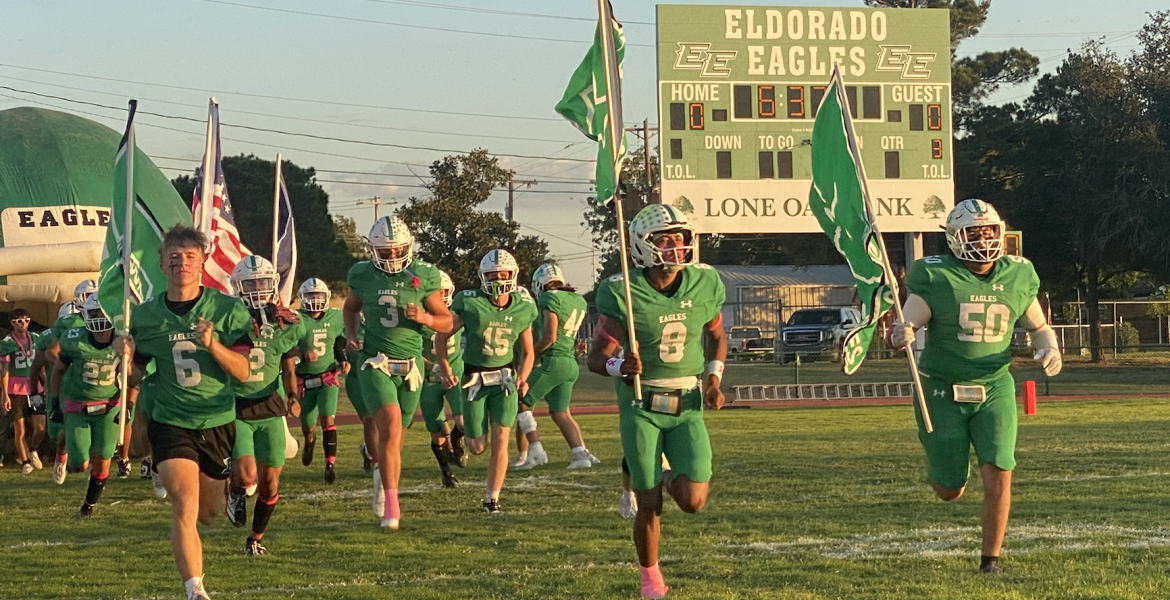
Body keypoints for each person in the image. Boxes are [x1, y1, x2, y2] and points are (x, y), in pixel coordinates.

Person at [888, 199, 1062, 574]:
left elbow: (1039, 325)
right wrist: (900, 330)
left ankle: (990, 561)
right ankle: (950, 471)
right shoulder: (936, 275)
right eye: (974, 232)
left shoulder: (1017, 273)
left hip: (995, 385)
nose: (983, 239)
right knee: (949, 489)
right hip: (941, 386)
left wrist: (1049, 344)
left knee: (999, 471)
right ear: (954, 238)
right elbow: (911, 321)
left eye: (988, 231)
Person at [587, 204, 727, 599]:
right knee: (648, 500)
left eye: (679, 238)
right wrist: (619, 365)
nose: (675, 246)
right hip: (642, 403)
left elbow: (716, 336)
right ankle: (650, 579)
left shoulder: (704, 282)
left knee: (693, 500)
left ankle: (665, 471)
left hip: (688, 403)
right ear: (643, 246)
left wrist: (714, 378)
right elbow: (596, 357)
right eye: (664, 239)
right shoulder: (623, 292)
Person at [118, 225, 253, 600]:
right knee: (183, 501)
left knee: (207, 511)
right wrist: (124, 357)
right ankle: (195, 590)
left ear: (202, 262)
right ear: (161, 264)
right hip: (171, 420)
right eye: (174, 258)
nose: (182, 264)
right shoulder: (145, 317)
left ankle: (221, 494)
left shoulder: (226, 309)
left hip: (217, 418)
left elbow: (243, 372)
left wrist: (212, 345)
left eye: (189, 257)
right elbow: (135, 375)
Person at [343, 216, 451, 530]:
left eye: (396, 250)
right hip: (375, 361)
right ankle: (393, 507)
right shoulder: (362, 275)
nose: (391, 256)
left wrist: (426, 319)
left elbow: (446, 320)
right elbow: (350, 307)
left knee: (396, 438)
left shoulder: (423, 275)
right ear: (373, 250)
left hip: (410, 367)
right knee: (389, 427)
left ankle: (381, 476)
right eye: (385, 251)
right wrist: (351, 334)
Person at [436, 249, 537, 514]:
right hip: (474, 380)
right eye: (492, 275)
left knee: (501, 439)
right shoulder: (470, 302)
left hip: (504, 380)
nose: (498, 279)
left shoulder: (523, 306)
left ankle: (492, 498)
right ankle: (458, 437)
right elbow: (441, 335)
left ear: (512, 275)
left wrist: (523, 377)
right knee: (477, 446)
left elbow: (528, 352)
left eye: (502, 274)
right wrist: (445, 366)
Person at [223, 256, 303, 556]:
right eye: (250, 284)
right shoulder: (227, 319)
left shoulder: (285, 322)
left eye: (262, 283)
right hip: (238, 405)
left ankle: (255, 538)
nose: (257, 289)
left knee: (269, 485)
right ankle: (234, 491)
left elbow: (289, 368)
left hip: (270, 404)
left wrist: (293, 397)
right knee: (245, 476)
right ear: (238, 287)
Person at [51, 293, 135, 517]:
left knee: (103, 459)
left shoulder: (122, 339)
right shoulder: (74, 339)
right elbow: (58, 369)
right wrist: (53, 402)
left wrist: (127, 361)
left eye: (103, 312)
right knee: (79, 464)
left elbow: (132, 379)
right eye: (94, 312)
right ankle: (62, 452)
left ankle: (88, 506)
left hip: (108, 405)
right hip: (78, 404)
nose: (99, 317)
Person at [512, 262, 597, 470]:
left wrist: (531, 351)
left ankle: (535, 450)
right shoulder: (577, 299)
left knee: (519, 400)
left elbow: (549, 336)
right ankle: (580, 454)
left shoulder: (549, 298)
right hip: (570, 362)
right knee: (560, 412)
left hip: (555, 361)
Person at [32, 283, 91, 484]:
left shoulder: (105, 320)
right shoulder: (66, 324)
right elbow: (45, 356)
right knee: (62, 431)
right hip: (63, 382)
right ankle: (61, 456)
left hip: (90, 381)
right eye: (88, 295)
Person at [294, 278, 349, 484]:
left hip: (327, 378)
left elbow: (339, 341)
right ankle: (309, 441)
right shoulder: (296, 319)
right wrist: (301, 352)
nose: (315, 300)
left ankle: (330, 463)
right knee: (308, 426)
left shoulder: (336, 317)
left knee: (328, 418)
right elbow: (285, 348)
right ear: (302, 298)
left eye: (318, 296)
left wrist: (343, 359)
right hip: (304, 381)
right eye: (310, 296)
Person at [418, 269, 466, 488]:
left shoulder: (459, 311)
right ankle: (446, 473)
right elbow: (412, 352)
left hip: (455, 375)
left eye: (444, 291)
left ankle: (456, 441)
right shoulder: (418, 316)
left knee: (464, 423)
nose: (441, 296)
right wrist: (433, 366)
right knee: (438, 430)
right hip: (429, 378)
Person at [1, 308, 43, 474]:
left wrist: (45, 383)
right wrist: (5, 394)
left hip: (33, 386)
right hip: (15, 388)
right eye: (19, 321)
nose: (23, 324)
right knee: (20, 428)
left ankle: (32, 450)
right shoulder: (7, 342)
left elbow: (40, 364)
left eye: (26, 320)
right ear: (12, 323)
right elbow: (4, 371)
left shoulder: (35, 338)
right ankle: (25, 461)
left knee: (40, 426)